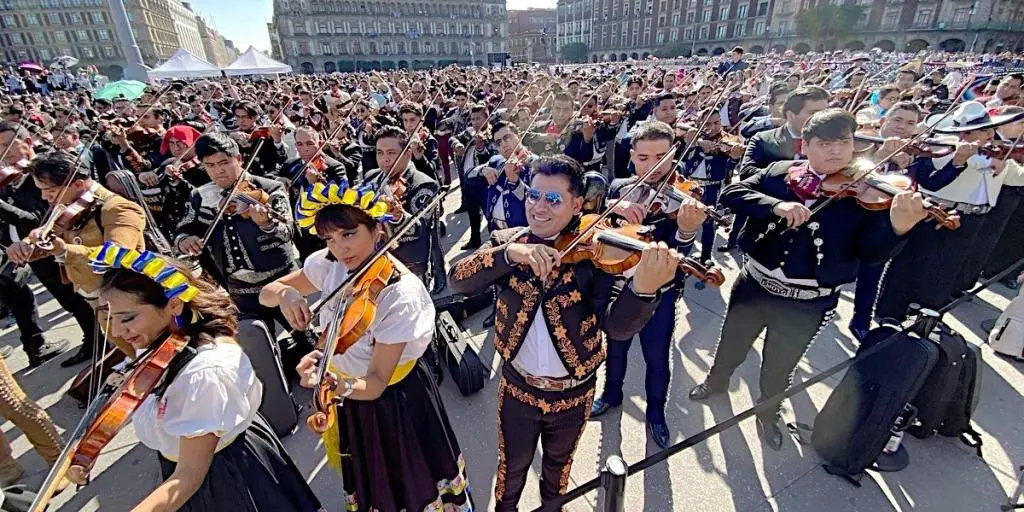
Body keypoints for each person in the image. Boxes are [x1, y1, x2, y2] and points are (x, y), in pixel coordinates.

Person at [449, 155, 681, 509]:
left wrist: (643, 290)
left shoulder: (597, 256)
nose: (539, 207)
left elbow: (617, 328)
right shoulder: (508, 242)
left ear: (577, 204)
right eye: (534, 195)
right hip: (517, 389)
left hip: (573, 395)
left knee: (557, 474)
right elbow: (458, 280)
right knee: (511, 471)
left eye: (553, 200)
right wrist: (510, 253)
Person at [688, 109, 929, 450]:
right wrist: (775, 206)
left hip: (807, 301)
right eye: (826, 143)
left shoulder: (867, 194)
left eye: (844, 142)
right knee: (731, 345)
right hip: (755, 285)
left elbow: (871, 252)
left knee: (779, 367)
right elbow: (733, 194)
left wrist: (898, 228)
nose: (836, 152)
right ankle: (717, 381)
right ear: (806, 145)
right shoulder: (779, 173)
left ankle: (767, 413)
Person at [261, 180, 472, 511]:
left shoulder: (399, 293)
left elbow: (374, 383)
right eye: (330, 239)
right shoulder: (328, 263)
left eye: (349, 234)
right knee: (373, 483)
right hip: (349, 395)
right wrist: (288, 296)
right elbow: (267, 292)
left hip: (395, 399)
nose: (341, 248)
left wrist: (334, 382)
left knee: (413, 483)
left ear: (377, 230)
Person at [81, 242, 323, 512]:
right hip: (206, 465)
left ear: (174, 304)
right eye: (108, 318)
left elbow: (189, 476)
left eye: (127, 318)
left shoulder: (203, 374)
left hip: (226, 476)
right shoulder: (165, 344)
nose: (115, 331)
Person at [588, 121, 707, 448]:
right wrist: (613, 208)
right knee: (616, 346)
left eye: (662, 157)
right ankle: (612, 394)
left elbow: (681, 257)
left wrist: (685, 230)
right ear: (632, 156)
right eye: (643, 158)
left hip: (660, 295)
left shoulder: (686, 195)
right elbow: (600, 233)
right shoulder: (619, 187)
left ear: (673, 154)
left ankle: (656, 413)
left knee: (657, 358)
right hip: (620, 288)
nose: (653, 166)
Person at [876, 101, 1017, 322]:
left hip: (972, 219)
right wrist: (960, 160)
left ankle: (926, 317)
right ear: (964, 132)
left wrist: (1004, 164)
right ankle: (890, 313)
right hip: (937, 212)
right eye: (982, 130)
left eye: (990, 129)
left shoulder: (998, 154)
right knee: (909, 266)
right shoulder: (942, 148)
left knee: (945, 273)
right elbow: (932, 182)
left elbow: (1017, 177)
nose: (990, 135)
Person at [6, 150, 146, 365]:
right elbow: (49, 242)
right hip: (99, 303)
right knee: (134, 357)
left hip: (132, 305)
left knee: (147, 356)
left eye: (50, 190)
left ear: (78, 184)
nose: (45, 197)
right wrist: (24, 247)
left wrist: (64, 251)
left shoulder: (117, 208)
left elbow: (119, 256)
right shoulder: (70, 209)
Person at [720, 86, 830, 252]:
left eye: (824, 112)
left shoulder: (832, 146)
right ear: (791, 115)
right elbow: (747, 172)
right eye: (813, 113)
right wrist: (788, 176)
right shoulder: (763, 139)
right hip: (767, 222)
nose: (822, 119)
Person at [363, 125, 440, 283]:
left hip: (408, 263)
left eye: (391, 153)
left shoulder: (424, 184)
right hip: (375, 260)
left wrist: (398, 216)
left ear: (408, 154)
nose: (384, 159)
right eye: (380, 152)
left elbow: (422, 229)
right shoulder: (372, 176)